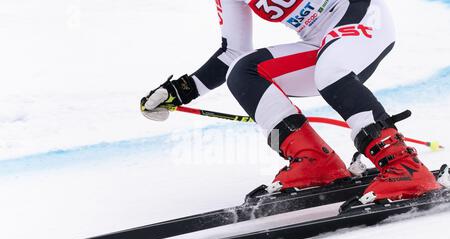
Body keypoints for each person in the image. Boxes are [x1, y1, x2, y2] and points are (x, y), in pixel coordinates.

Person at [140, 0, 441, 201]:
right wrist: (178, 92)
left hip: (364, 20)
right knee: (243, 72)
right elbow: (232, 52)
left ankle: (404, 167)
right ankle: (315, 162)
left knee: (330, 68)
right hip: (318, 42)